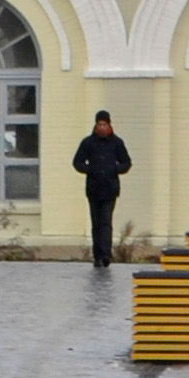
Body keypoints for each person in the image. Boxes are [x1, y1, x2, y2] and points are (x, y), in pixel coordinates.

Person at [73, 110, 133, 269]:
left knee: (106, 222)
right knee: (96, 223)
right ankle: (97, 255)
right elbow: (77, 162)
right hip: (93, 189)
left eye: (104, 124)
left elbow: (126, 163)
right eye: (99, 124)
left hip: (110, 189)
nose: (102, 127)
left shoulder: (117, 143)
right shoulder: (88, 143)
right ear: (96, 125)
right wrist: (90, 169)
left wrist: (114, 169)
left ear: (109, 125)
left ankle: (106, 254)